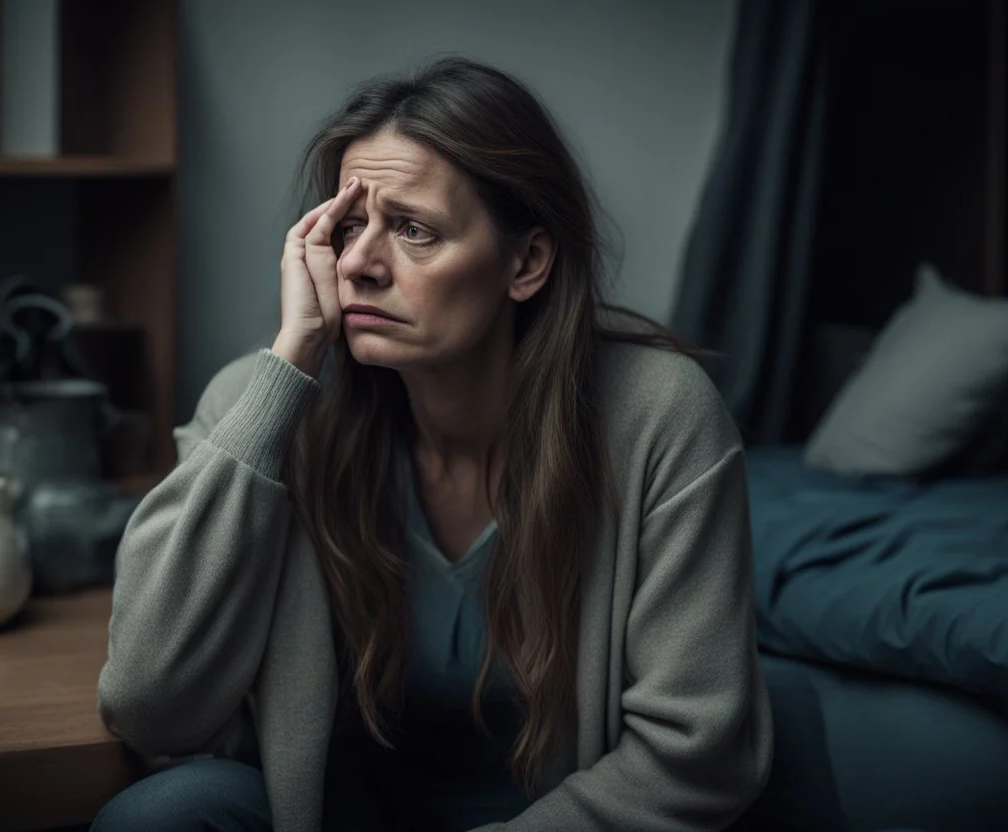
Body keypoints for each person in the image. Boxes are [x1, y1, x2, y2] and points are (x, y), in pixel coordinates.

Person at [92, 56, 772, 832]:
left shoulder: (658, 415)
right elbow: (150, 708)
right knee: (163, 815)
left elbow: (699, 751)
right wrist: (286, 375)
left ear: (526, 262)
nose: (358, 265)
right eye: (348, 227)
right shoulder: (265, 402)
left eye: (414, 230)